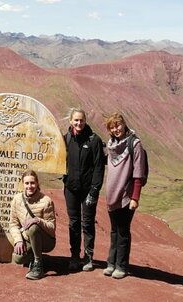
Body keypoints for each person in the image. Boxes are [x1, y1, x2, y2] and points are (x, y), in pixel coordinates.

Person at [103, 112, 148, 279]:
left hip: (126, 195)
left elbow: (138, 172)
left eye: (118, 125)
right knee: (114, 230)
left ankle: (121, 266)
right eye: (112, 127)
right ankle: (111, 263)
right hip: (112, 194)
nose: (116, 129)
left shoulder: (134, 144)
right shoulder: (111, 144)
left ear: (124, 124)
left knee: (123, 231)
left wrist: (135, 198)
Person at [63, 108, 105, 271]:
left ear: (85, 121)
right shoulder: (66, 139)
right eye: (76, 120)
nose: (79, 123)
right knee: (73, 223)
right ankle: (74, 256)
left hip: (88, 190)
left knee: (87, 223)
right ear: (71, 121)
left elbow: (99, 167)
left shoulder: (94, 140)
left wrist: (94, 191)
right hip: (71, 189)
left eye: (81, 120)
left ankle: (88, 257)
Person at [8, 170, 56, 280]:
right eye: (27, 183)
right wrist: (18, 240)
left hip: (46, 240)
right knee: (18, 258)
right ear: (23, 184)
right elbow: (13, 224)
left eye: (32, 183)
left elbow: (52, 228)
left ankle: (38, 266)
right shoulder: (17, 199)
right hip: (26, 237)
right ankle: (34, 256)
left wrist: (38, 220)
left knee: (33, 227)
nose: (30, 186)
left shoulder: (46, 201)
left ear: (37, 183)